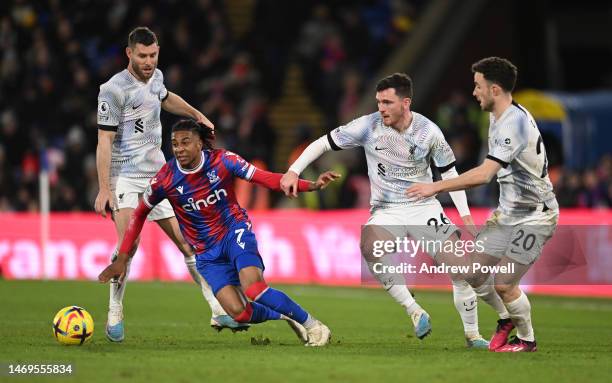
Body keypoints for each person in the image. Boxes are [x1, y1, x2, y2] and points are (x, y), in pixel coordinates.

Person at [281, 73, 509, 348]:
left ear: (405, 103)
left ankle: (474, 335)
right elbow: (323, 142)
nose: (381, 108)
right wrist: (294, 171)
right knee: (369, 246)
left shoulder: (429, 132)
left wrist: (466, 216)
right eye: (379, 102)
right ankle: (414, 310)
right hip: (387, 209)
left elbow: (450, 173)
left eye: (387, 102)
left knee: (463, 271)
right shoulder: (368, 126)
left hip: (424, 207)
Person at [99, 119, 339, 346]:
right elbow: (140, 214)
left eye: (185, 142)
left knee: (254, 289)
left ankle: (314, 325)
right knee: (239, 313)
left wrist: (312, 186)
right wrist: (122, 259)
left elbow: (266, 179)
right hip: (206, 253)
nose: (179, 149)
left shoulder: (223, 161)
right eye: (174, 144)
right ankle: (286, 317)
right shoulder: (165, 179)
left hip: (234, 232)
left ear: (199, 143)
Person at [95, 27, 241, 342]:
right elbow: (104, 142)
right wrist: (104, 188)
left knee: (189, 243)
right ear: (129, 54)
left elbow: (165, 98)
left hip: (159, 177)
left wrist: (196, 114)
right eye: (142, 56)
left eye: (153, 55)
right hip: (124, 176)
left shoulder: (156, 77)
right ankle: (115, 311)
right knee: (128, 246)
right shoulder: (113, 90)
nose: (148, 62)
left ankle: (217, 309)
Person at [407, 57, 559, 352]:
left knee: (503, 282)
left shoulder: (511, 124)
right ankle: (507, 319)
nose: (474, 92)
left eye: (478, 86)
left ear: (496, 89)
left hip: (535, 216)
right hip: (508, 214)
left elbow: (485, 174)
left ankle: (527, 340)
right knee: (472, 272)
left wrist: (435, 187)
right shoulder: (497, 116)